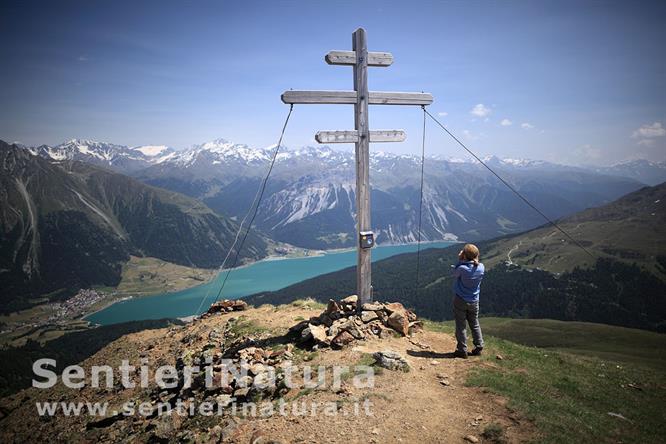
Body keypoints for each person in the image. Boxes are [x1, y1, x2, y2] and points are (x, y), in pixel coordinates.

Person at [451, 243, 485, 359]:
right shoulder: (481, 267)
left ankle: (462, 350)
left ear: (464, 255)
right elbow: (475, 262)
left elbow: (455, 274)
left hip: (460, 300)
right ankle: (479, 346)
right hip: (474, 301)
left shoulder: (461, 268)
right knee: (474, 323)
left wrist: (460, 260)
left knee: (461, 325)